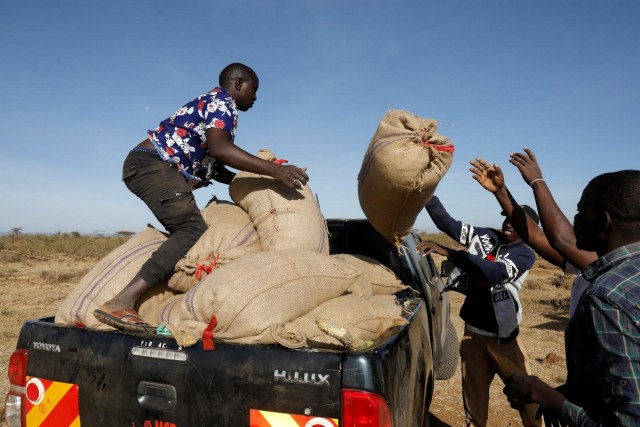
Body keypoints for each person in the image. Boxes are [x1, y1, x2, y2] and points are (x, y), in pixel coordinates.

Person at [94, 63, 309, 333]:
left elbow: (215, 165)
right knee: (191, 227)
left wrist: (248, 181)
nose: (256, 97)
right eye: (255, 89)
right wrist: (274, 170)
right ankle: (121, 301)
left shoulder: (215, 106)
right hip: (153, 164)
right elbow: (221, 149)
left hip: (151, 165)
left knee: (185, 233)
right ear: (239, 83)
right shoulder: (222, 102)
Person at [503, 169, 640, 426]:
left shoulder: (607, 295)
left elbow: (628, 422)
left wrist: (552, 400)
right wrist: (577, 392)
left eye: (579, 212)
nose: (574, 220)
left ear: (602, 222)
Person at [417, 194, 542, 427]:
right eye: (506, 217)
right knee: (474, 408)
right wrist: (427, 193)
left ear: (530, 228)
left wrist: (453, 254)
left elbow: (493, 272)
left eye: (516, 221)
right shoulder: (485, 235)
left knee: (527, 400)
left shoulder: (525, 254)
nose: (508, 223)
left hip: (504, 340)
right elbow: (448, 223)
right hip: (472, 336)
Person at [469, 149, 597, 317]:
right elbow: (536, 236)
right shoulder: (597, 264)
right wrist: (500, 191)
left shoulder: (605, 266)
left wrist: (537, 181)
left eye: (581, 213)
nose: (575, 219)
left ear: (605, 220)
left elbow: (559, 239)